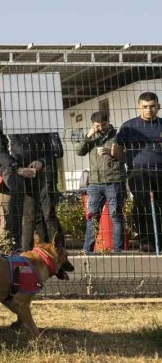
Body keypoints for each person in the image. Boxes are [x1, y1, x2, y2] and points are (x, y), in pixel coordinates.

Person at [0, 118, 63, 251]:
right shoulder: (2, 122)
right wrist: (16, 168)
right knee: (21, 208)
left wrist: (40, 161)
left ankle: (45, 250)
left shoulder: (36, 117)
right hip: (13, 170)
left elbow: (52, 148)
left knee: (43, 213)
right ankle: (16, 249)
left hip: (35, 170)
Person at [116, 92, 162, 251]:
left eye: (152, 106)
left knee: (160, 205)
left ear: (158, 106)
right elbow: (118, 151)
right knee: (142, 206)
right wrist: (131, 163)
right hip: (138, 172)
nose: (149, 110)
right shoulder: (129, 126)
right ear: (139, 107)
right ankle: (146, 240)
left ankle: (159, 240)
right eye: (145, 107)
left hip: (160, 171)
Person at [77, 111, 126, 253]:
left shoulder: (117, 136)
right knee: (92, 217)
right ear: (93, 125)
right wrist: (88, 136)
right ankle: (88, 250)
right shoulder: (92, 137)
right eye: (97, 126)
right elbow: (79, 151)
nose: (101, 128)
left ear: (108, 122)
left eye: (103, 125)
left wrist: (110, 152)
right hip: (94, 183)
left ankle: (118, 250)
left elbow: (124, 157)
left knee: (116, 216)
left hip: (114, 181)